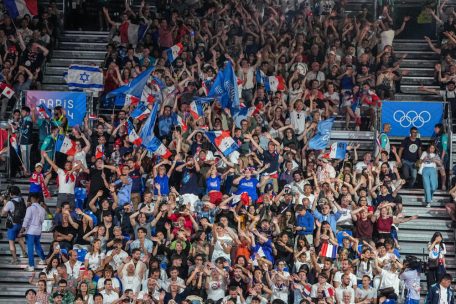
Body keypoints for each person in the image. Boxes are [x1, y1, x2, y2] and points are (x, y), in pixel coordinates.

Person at [21, 193, 47, 271]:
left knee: (30, 248)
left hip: (31, 231)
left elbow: (26, 219)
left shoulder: (30, 208)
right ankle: (43, 259)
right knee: (38, 245)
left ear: (32, 198)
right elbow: (42, 220)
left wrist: (22, 229)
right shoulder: (42, 209)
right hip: (38, 230)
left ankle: (31, 266)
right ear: (38, 199)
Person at [1, 185, 27, 264]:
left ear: (11, 193)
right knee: (20, 238)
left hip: (12, 225)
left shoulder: (10, 203)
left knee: (11, 242)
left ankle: (15, 259)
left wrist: (5, 203)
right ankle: (24, 253)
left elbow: (2, 214)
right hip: (21, 223)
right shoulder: (22, 200)